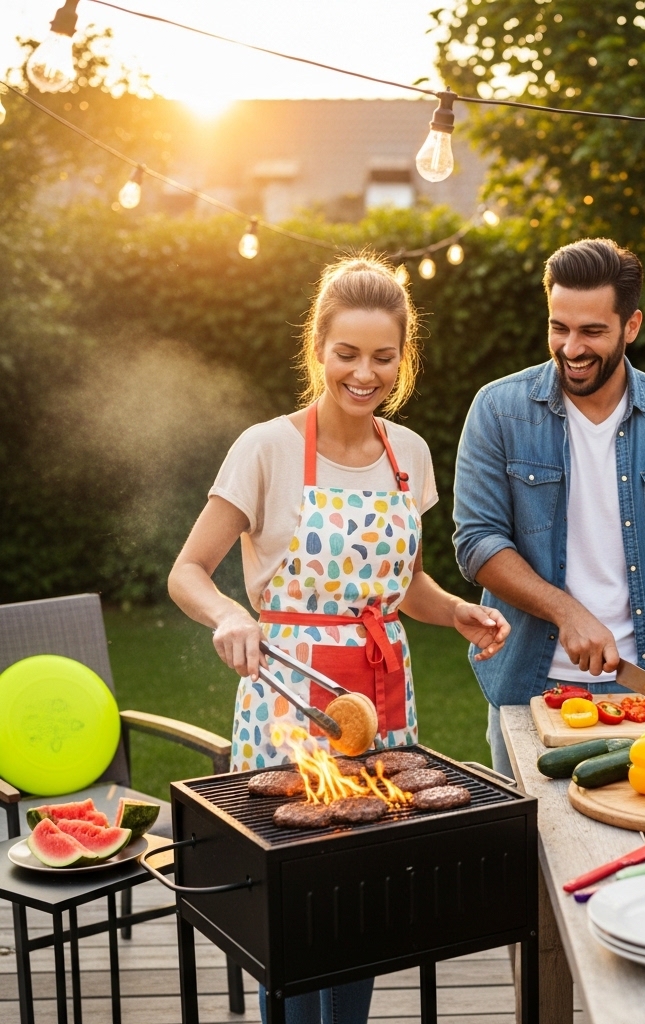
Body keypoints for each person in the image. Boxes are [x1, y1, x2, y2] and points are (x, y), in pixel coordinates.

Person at [168, 256, 509, 1024]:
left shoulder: (408, 454)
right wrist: (228, 615)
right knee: (290, 912)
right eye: (347, 353)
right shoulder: (267, 448)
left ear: (403, 356)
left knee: (363, 903)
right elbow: (188, 570)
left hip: (382, 702)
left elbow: (403, 586)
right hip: (288, 699)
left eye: (383, 356)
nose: (365, 372)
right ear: (318, 348)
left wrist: (456, 611)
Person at [453, 237, 645, 778]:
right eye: (560, 327)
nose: (571, 348)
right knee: (532, 853)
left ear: (631, 326)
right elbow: (478, 542)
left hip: (642, 688)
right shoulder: (498, 410)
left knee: (636, 840)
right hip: (529, 689)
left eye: (592, 331)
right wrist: (567, 611)